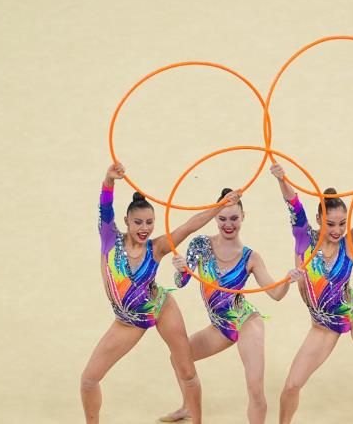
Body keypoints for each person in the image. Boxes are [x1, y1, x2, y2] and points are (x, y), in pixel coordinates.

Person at [81, 162, 238, 424]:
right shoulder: (110, 240)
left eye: (150, 223)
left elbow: (188, 226)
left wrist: (220, 206)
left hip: (161, 307)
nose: (144, 228)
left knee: (186, 368)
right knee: (88, 380)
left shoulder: (157, 247)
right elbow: (104, 208)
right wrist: (108, 181)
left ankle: (192, 414)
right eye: (138, 222)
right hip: (128, 321)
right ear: (126, 222)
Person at [270, 159, 353, 424]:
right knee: (292, 386)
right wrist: (281, 178)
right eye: (331, 224)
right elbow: (293, 203)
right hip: (323, 324)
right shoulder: (304, 238)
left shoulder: (349, 244)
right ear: (319, 219)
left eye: (342, 224)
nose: (338, 230)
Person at [159, 188, 302, 423]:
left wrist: (288, 280)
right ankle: (187, 406)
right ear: (215, 217)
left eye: (234, 218)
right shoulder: (200, 245)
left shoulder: (250, 257)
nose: (228, 224)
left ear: (243, 217)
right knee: (178, 358)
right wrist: (180, 268)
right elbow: (182, 282)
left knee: (255, 389)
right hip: (220, 326)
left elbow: (276, 294)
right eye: (222, 218)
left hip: (246, 322)